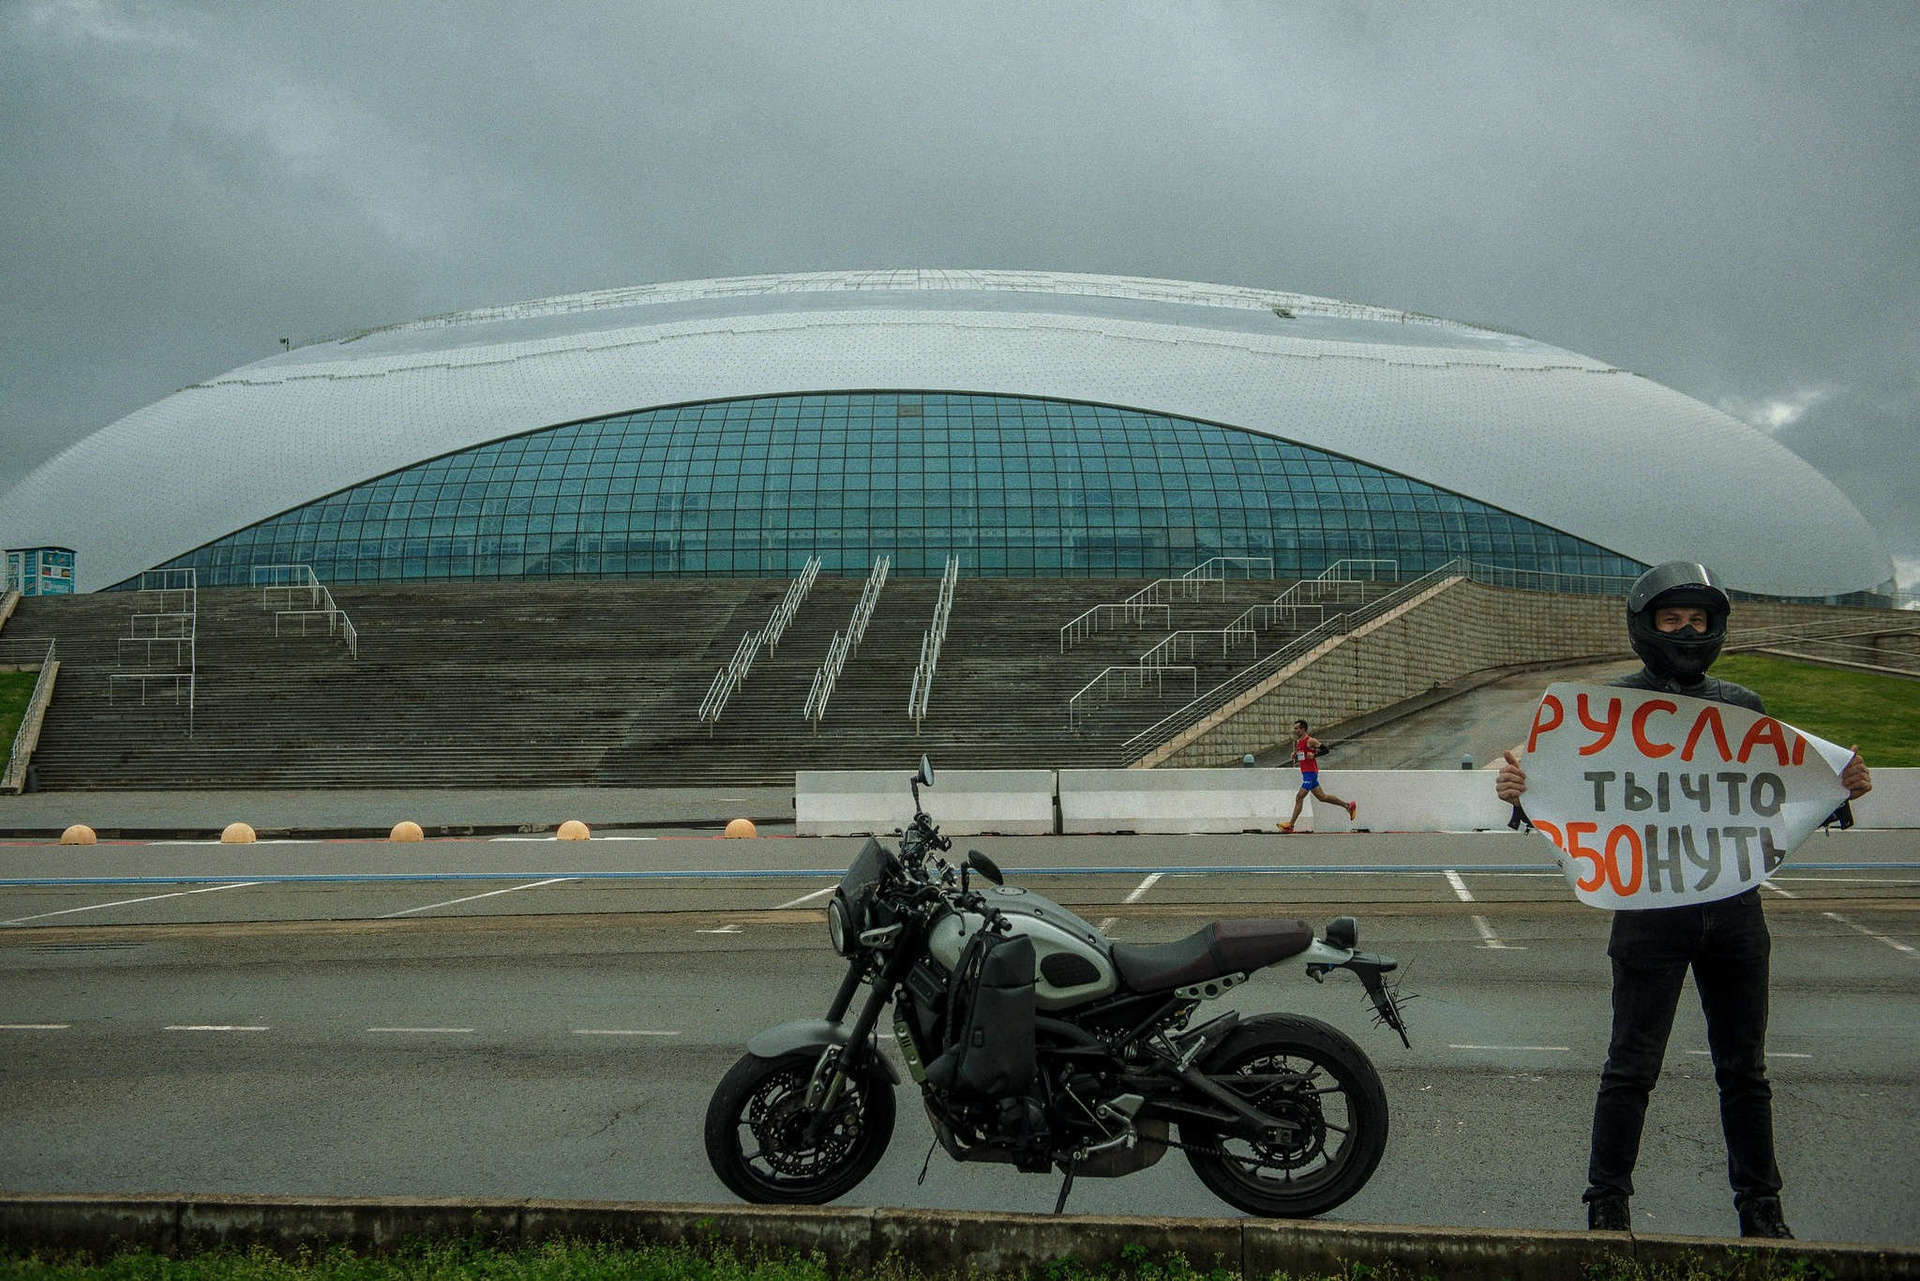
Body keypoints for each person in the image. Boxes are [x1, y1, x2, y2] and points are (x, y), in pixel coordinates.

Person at [1495, 562, 1873, 1239]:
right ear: (1645, 625)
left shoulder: (1743, 705)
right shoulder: (1604, 708)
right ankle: (1607, 1207)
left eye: (1699, 619)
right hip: (1648, 911)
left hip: (1735, 911)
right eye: (1672, 618)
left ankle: (1762, 1210)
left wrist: (1840, 788)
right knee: (1630, 1067)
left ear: (1717, 626)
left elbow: (1780, 791)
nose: (1688, 631)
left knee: (1745, 1071)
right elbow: (1571, 790)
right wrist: (1522, 790)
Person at [1277, 719, 1357, 832]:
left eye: (1297, 728)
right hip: (1305, 773)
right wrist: (1295, 755)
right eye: (1294, 728)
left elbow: (1326, 750)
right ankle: (1348, 806)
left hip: (1311, 773)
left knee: (1299, 797)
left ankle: (1291, 825)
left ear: (1303, 729)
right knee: (1322, 797)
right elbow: (1303, 756)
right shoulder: (1299, 741)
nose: (1295, 731)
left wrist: (1314, 755)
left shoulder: (1311, 741)